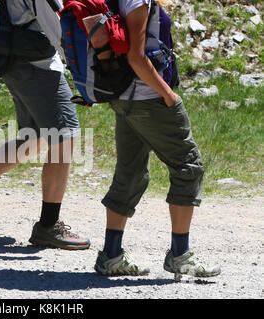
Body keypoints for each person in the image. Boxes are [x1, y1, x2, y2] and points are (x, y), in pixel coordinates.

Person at [0, 0, 91, 250]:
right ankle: (48, 226)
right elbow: (59, 33)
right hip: (36, 67)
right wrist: (86, 78)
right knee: (64, 137)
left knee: (35, 136)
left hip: (18, 60)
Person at [94, 0, 221, 277]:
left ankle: (111, 256)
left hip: (125, 98)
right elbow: (136, 57)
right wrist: (168, 94)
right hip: (149, 99)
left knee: (130, 173)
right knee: (189, 167)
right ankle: (180, 255)